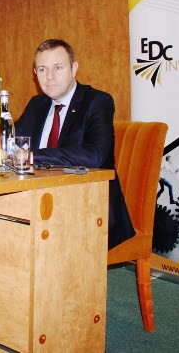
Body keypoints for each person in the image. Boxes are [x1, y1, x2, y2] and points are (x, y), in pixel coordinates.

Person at [15, 38, 135, 249]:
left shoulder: (97, 101)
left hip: (89, 205)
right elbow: (13, 142)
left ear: (74, 68)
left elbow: (95, 155)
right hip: (39, 199)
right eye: (42, 69)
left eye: (58, 68)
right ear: (35, 73)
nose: (49, 77)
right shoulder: (37, 104)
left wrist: (34, 156)